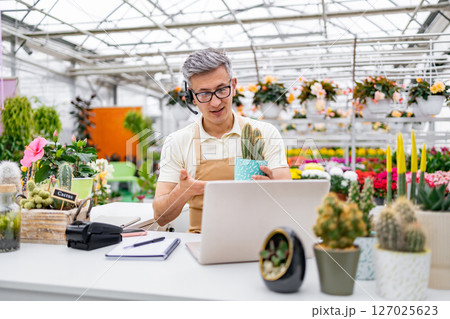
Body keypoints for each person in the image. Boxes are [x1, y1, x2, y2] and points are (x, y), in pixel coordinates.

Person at [153, 48, 291, 233]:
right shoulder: (177, 141)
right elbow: (161, 217)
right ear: (191, 96)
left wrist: (275, 189)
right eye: (203, 94)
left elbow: (289, 204)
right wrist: (183, 191)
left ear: (233, 85)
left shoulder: (265, 133)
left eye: (221, 90)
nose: (215, 102)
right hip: (199, 245)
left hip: (256, 240)